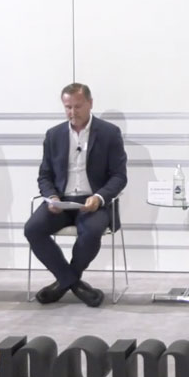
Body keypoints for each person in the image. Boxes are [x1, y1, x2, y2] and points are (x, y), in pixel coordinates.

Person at [25, 83, 127, 307]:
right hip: (61, 201)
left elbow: (119, 176)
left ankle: (63, 283)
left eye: (77, 106)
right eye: (68, 107)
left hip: (93, 201)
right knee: (32, 229)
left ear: (90, 103)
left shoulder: (109, 133)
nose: (72, 112)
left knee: (91, 232)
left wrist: (99, 197)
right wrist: (52, 197)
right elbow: (44, 176)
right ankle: (72, 282)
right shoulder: (54, 135)